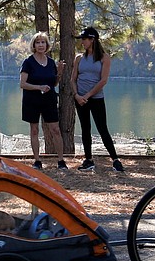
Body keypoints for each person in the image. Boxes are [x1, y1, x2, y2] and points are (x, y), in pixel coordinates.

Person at [70, 27, 123, 172]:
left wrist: (87, 95)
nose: (82, 42)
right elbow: (73, 79)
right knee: (85, 129)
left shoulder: (104, 58)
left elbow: (103, 80)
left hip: (96, 98)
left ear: (92, 39)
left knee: (102, 128)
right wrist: (77, 95)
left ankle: (115, 160)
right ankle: (88, 160)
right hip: (80, 99)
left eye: (84, 39)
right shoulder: (79, 58)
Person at [19, 32, 66, 169]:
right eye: (38, 42)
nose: (40, 45)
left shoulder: (51, 62)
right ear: (34, 45)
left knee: (55, 129)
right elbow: (23, 84)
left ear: (47, 45)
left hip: (49, 100)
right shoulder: (28, 62)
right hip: (32, 101)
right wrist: (38, 87)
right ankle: (37, 161)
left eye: (43, 42)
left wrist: (60, 72)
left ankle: (61, 161)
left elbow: (54, 83)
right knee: (34, 130)